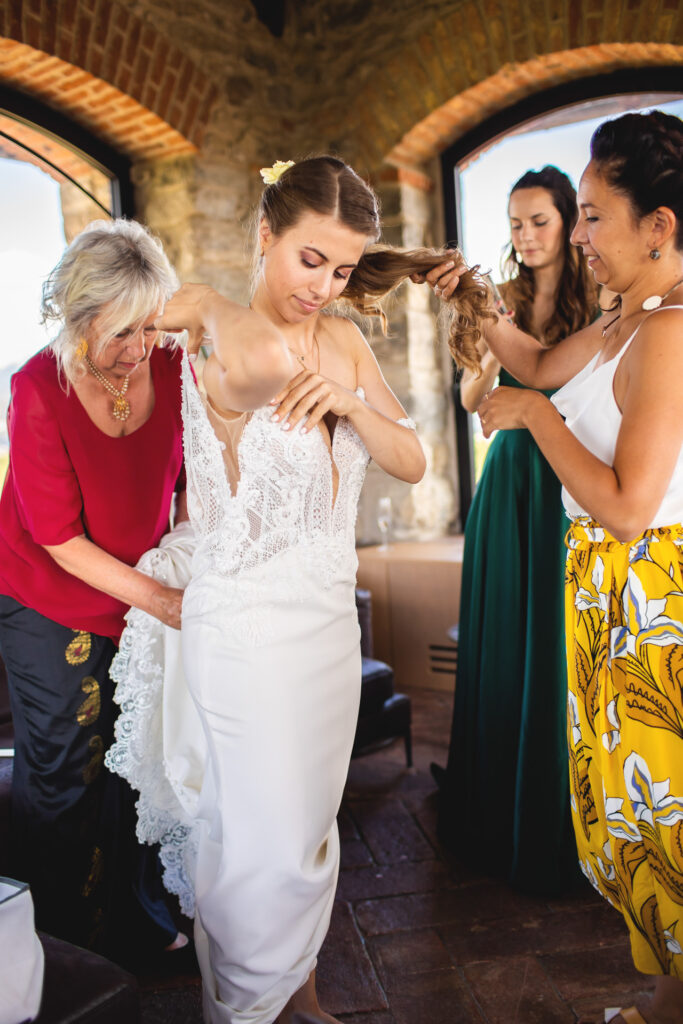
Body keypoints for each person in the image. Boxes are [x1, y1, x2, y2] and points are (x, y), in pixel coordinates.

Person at [106, 155, 494, 1024]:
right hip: (245, 637)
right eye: (309, 259)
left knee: (310, 837)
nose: (324, 286)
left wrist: (352, 403)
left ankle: (300, 994)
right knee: (260, 850)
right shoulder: (223, 341)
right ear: (264, 235)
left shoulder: (345, 342)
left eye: (345, 270)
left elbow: (412, 457)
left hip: (323, 631)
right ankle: (245, 1009)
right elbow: (261, 359)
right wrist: (205, 300)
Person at [433, 110, 683, 1024]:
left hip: (654, 603)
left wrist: (535, 420)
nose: (576, 235)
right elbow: (535, 358)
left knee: (666, 815)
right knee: (632, 816)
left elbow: (627, 507)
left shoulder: (671, 334)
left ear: (658, 227)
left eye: (592, 216)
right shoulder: (626, 320)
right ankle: (667, 1001)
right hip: (601, 597)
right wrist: (472, 296)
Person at [0, 218, 189, 964]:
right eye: (122, 332)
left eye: (151, 325)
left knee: (139, 764)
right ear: (80, 319)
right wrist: (166, 602)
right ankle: (64, 949)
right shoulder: (35, 389)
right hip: (51, 599)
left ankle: (137, 920)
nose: (141, 348)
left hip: (138, 591)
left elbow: (186, 482)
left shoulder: (175, 367)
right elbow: (57, 540)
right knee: (67, 774)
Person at [436, 166, 598, 894]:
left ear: (567, 220)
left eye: (538, 220)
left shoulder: (599, 299)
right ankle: (492, 811)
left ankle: (562, 820)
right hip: (508, 479)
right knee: (506, 636)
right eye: (513, 222)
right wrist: (477, 336)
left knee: (558, 643)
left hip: (568, 477)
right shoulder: (496, 298)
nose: (524, 236)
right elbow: (475, 398)